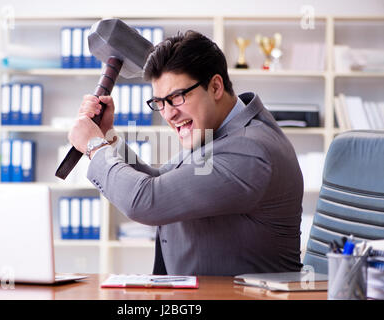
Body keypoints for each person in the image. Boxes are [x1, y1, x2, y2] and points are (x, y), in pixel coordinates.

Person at [68, 30, 304, 276]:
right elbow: (159, 181)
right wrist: (107, 136)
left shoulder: (249, 150)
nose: (168, 114)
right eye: (159, 102)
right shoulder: (218, 132)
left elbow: (149, 200)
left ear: (215, 87)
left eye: (177, 97)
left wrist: (95, 146)